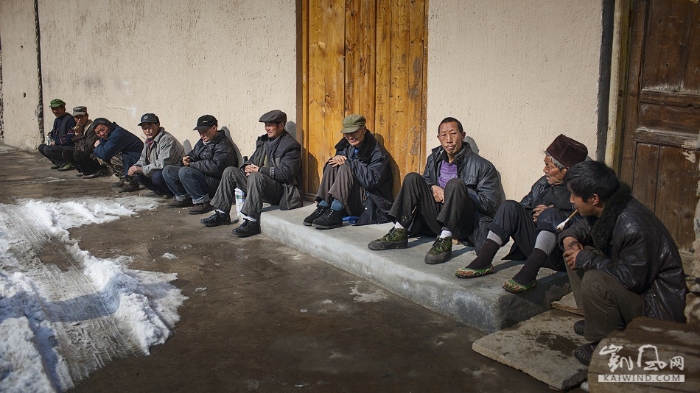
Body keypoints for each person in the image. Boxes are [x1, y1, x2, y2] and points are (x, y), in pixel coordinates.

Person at [559, 160, 687, 366]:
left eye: (575, 195)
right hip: (636, 290)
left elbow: (632, 279)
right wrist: (570, 240)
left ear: (594, 199)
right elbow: (585, 227)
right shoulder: (608, 208)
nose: (571, 200)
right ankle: (597, 320)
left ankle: (607, 344)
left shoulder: (633, 226)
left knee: (594, 278)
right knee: (574, 254)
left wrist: (586, 258)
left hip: (656, 309)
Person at [455, 134, 588, 293]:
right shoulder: (543, 183)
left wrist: (554, 215)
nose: (544, 170)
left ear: (566, 170)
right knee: (509, 206)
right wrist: (534, 214)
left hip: (559, 254)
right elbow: (523, 207)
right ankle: (483, 260)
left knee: (550, 215)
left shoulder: (583, 191)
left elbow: (586, 225)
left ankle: (529, 273)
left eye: (549, 166)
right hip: (535, 245)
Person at [368, 117, 502, 265]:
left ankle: (445, 240)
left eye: (453, 133)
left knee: (455, 184)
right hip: (436, 218)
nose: (449, 140)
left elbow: (491, 205)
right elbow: (425, 181)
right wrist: (433, 187)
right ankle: (399, 231)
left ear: (462, 136)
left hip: (462, 223)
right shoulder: (434, 158)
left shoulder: (483, 166)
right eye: (444, 135)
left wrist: (459, 193)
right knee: (412, 178)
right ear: (439, 138)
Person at [200, 110, 302, 238]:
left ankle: (252, 221)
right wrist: (246, 167)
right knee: (230, 171)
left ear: (281, 125)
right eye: (266, 125)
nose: (267, 129)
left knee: (256, 175)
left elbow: (287, 174)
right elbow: (252, 160)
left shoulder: (291, 146)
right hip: (259, 184)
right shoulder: (265, 142)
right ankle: (222, 214)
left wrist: (259, 170)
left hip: (281, 191)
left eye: (270, 125)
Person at [303, 114, 393, 229]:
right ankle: (323, 207)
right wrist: (335, 159)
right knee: (333, 165)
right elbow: (334, 175)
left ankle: (335, 210)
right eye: (347, 133)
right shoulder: (345, 146)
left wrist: (350, 163)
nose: (350, 136)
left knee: (346, 166)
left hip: (368, 202)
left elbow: (371, 181)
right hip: (348, 198)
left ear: (363, 130)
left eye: (354, 132)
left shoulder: (378, 153)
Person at [162, 115, 238, 214]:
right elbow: (194, 154)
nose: (201, 135)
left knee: (185, 171)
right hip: (202, 176)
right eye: (200, 132)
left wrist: (192, 165)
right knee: (168, 170)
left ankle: (202, 202)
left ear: (214, 128)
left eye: (204, 132)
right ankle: (184, 197)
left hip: (216, 182)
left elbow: (216, 167)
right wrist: (185, 160)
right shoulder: (202, 142)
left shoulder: (223, 144)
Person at [127, 113, 185, 196]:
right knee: (137, 174)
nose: (147, 131)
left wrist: (142, 169)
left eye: (150, 127)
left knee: (157, 176)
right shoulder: (149, 140)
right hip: (157, 169)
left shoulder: (167, 139)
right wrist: (135, 166)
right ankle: (161, 192)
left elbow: (163, 163)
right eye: (144, 128)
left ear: (158, 125)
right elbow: (143, 158)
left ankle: (172, 193)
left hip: (173, 173)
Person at [92, 118, 144, 193]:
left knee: (113, 157)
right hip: (128, 157)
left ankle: (131, 182)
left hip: (138, 158)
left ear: (108, 126)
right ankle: (124, 179)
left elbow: (105, 154)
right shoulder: (108, 135)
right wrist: (99, 148)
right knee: (100, 156)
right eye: (98, 133)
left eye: (103, 129)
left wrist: (98, 146)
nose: (102, 134)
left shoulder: (116, 134)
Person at [60, 106, 103, 176]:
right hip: (86, 153)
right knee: (66, 152)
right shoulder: (79, 127)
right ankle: (82, 170)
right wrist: (77, 134)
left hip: (96, 157)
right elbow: (78, 147)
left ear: (86, 116)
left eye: (82, 117)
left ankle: (94, 170)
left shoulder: (91, 128)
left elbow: (86, 149)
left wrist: (79, 135)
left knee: (77, 154)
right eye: (77, 117)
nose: (79, 120)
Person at [37, 99, 76, 170]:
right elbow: (56, 130)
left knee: (47, 149)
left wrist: (56, 142)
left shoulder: (70, 119)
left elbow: (71, 137)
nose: (55, 111)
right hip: (59, 146)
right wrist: (50, 134)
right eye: (53, 109)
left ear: (63, 108)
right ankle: (58, 162)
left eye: (57, 109)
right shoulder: (57, 120)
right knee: (41, 147)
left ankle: (67, 162)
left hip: (67, 148)